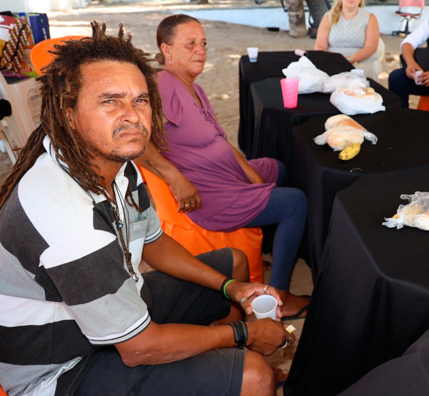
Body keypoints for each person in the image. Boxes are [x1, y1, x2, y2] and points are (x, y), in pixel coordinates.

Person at [0, 22, 292, 396]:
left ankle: (225, 367)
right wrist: (243, 333)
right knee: (255, 376)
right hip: (60, 365)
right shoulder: (66, 217)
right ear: (68, 113)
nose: (133, 116)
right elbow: (140, 348)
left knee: (233, 266)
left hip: (117, 310)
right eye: (110, 101)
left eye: (140, 100)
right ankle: (238, 370)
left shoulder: (120, 165)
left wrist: (231, 287)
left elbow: (153, 242)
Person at [134, 14, 309, 320]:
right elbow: (136, 143)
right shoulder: (162, 85)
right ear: (167, 50)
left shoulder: (195, 88)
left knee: (275, 167)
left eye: (203, 43)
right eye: (190, 44)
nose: (200, 50)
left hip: (223, 174)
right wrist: (174, 177)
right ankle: (279, 295)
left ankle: (261, 256)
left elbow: (221, 140)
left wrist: (250, 175)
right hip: (207, 191)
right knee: (295, 202)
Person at [314, 0, 384, 80]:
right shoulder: (328, 17)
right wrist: (330, 60)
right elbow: (320, 46)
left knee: (353, 79)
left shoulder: (370, 18)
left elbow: (370, 47)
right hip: (332, 62)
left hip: (361, 62)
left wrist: (350, 59)